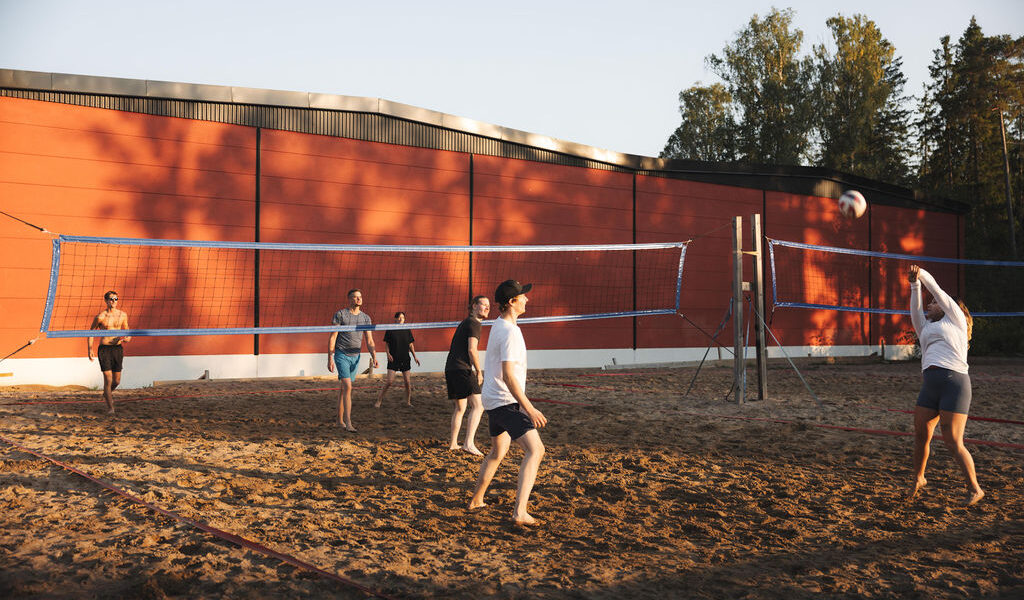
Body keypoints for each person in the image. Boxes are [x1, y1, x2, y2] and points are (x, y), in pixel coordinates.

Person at [468, 280, 547, 526]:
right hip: (505, 401)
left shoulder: (500, 325)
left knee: (497, 452)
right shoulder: (510, 332)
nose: (527, 299)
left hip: (493, 399)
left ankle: (476, 500)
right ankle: (519, 512)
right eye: (522, 296)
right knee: (536, 450)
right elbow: (509, 376)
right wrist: (528, 406)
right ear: (512, 302)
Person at [908, 265, 984, 506]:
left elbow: (938, 291)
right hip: (930, 385)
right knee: (921, 435)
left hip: (955, 384)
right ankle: (919, 478)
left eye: (933, 303)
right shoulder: (926, 328)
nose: (929, 305)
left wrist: (921, 274)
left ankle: (975, 488)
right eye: (929, 303)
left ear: (947, 308)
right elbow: (915, 312)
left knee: (952, 439)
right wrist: (914, 284)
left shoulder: (956, 321)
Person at [445, 295, 490, 455]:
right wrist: (478, 371)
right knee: (479, 406)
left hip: (451, 367)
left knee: (460, 407)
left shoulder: (465, 322)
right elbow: (472, 350)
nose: (487, 308)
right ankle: (468, 443)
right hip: (462, 368)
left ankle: (453, 443)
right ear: (474, 306)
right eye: (483, 304)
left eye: (488, 305)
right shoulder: (474, 323)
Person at [328, 288, 377, 432]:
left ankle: (339, 419)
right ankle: (348, 423)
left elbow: (369, 340)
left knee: (344, 389)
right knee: (348, 387)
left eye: (360, 297)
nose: (359, 299)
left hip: (355, 356)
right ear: (349, 299)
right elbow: (333, 337)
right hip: (341, 354)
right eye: (355, 297)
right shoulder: (340, 315)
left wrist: (374, 356)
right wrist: (330, 357)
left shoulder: (366, 318)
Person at [87, 290, 131, 414]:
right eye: (111, 299)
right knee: (108, 378)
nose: (114, 301)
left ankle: (107, 393)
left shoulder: (122, 315)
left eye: (116, 299)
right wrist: (90, 349)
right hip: (104, 349)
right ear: (106, 301)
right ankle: (110, 408)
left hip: (117, 349)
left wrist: (127, 338)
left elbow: (127, 330)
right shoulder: (100, 316)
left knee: (117, 381)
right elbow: (90, 333)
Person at [375, 311, 420, 408]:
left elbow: (410, 345)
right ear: (395, 319)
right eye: (399, 317)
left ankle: (408, 402)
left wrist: (415, 356)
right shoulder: (390, 329)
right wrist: (388, 354)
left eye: (403, 318)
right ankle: (379, 400)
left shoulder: (407, 329)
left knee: (407, 382)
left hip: (405, 358)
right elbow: (387, 344)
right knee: (389, 382)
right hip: (393, 358)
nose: (401, 319)